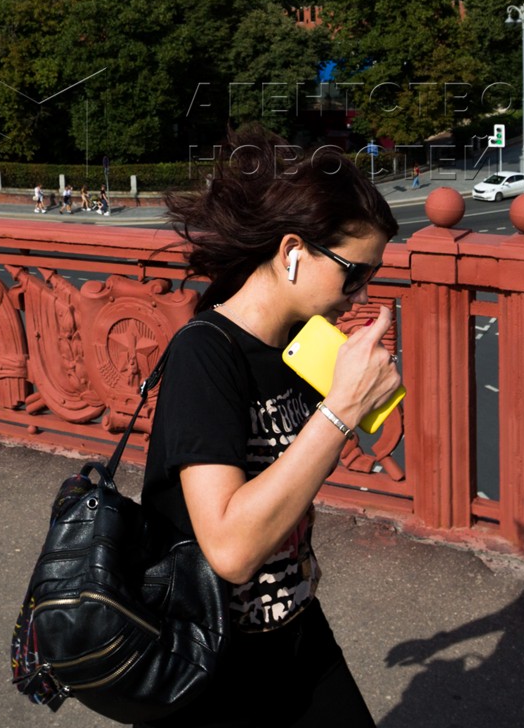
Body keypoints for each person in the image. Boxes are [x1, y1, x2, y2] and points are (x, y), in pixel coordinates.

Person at [141, 129, 400, 728]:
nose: (360, 294)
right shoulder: (205, 354)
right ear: (292, 251)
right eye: (353, 273)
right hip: (210, 655)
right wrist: (340, 411)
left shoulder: (298, 348)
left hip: (296, 629)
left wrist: (351, 400)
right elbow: (230, 548)